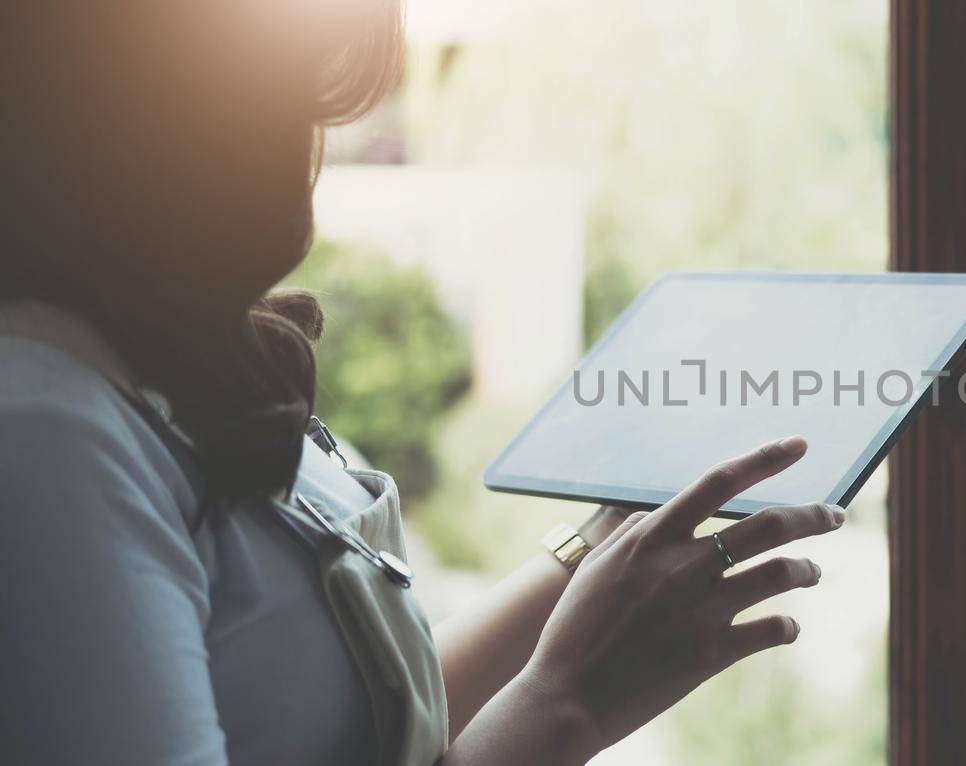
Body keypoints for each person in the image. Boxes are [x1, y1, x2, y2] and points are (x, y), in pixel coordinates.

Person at [0, 2, 844, 764]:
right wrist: (568, 703)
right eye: (285, 100)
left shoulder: (140, 364)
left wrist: (600, 541)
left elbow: (354, 726)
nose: (313, 146)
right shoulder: (47, 441)